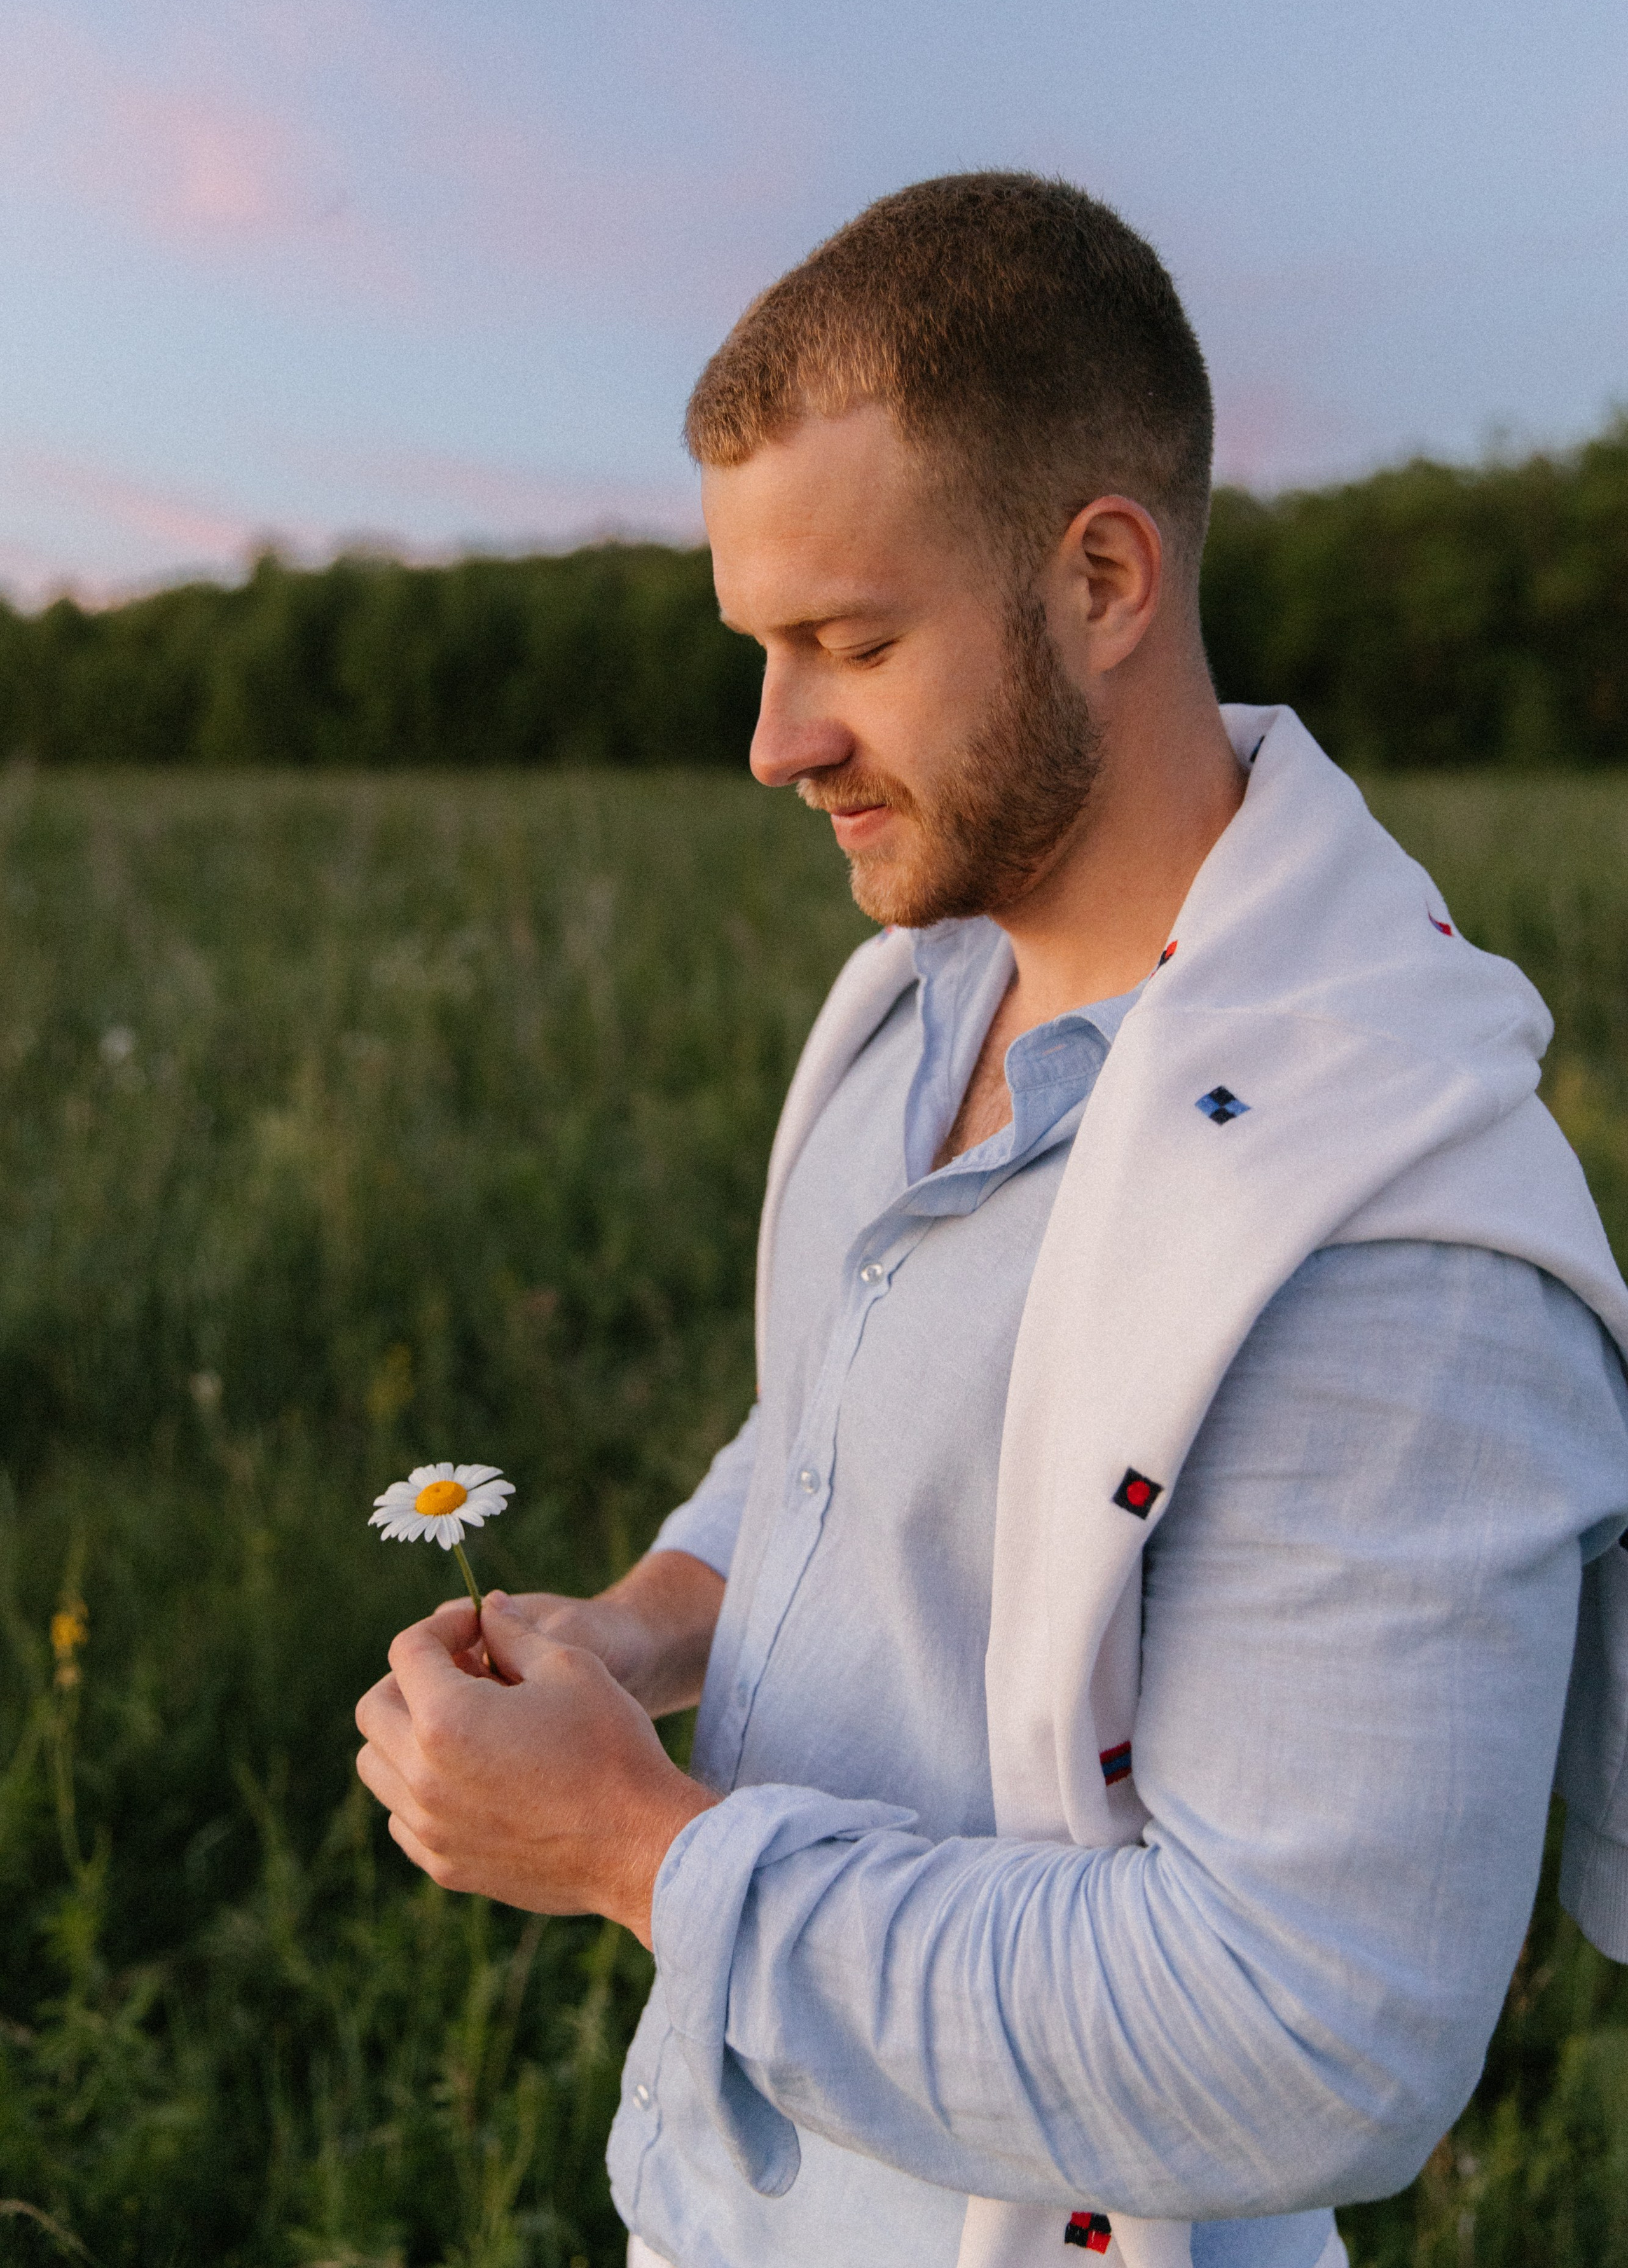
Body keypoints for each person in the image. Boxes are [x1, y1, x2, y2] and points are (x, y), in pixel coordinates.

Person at [355, 174, 1628, 2268]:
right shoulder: (909, 1000)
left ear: (1104, 576)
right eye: (761, 649)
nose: (773, 744)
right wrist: (644, 1626)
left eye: (848, 642)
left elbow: (1309, 2034)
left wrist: (634, 1855)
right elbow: (847, 1438)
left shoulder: (1394, 1239)